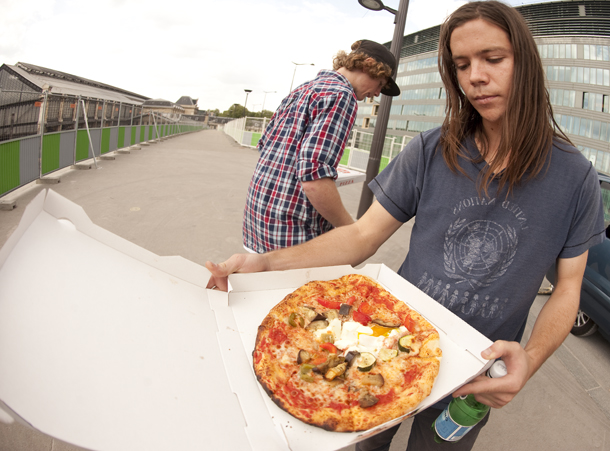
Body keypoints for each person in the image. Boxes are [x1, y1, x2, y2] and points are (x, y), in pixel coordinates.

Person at [207, 1, 605, 450]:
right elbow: (360, 236)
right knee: (366, 443)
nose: (475, 76)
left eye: (493, 58)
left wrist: (529, 361)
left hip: (478, 369)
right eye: (461, 65)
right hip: (388, 345)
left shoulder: (576, 177)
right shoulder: (431, 150)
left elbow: (569, 287)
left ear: (526, 64)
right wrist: (264, 264)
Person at [243, 40, 400, 253]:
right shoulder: (342, 96)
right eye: (380, 84)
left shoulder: (303, 89)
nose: (377, 93)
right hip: (294, 232)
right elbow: (314, 179)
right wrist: (353, 232)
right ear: (367, 66)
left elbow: (269, 148)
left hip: (258, 221)